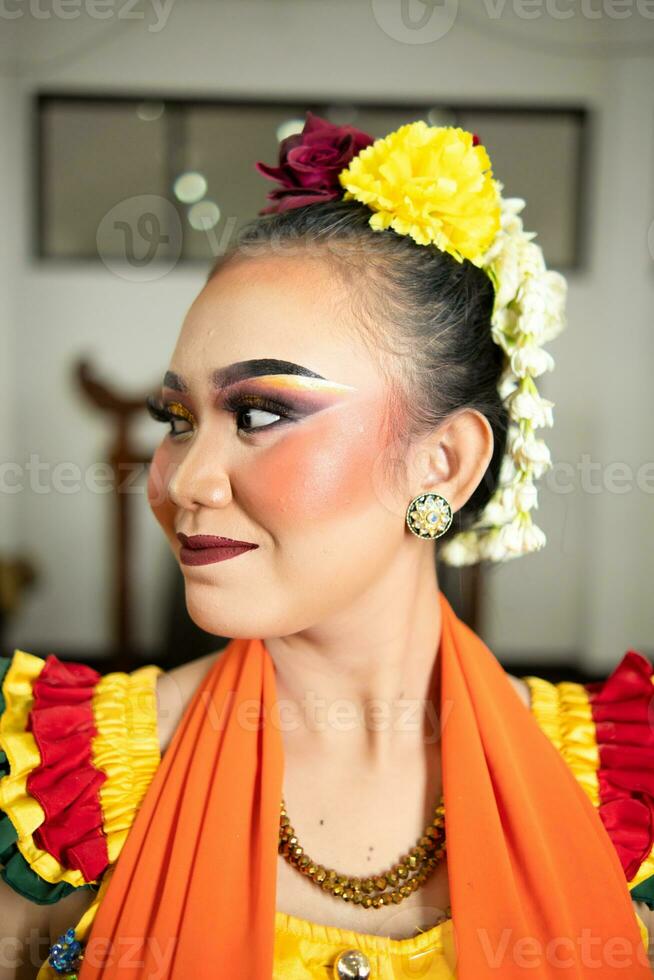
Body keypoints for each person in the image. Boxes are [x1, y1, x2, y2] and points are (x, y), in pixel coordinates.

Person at [1, 113, 653, 980]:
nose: (186, 480)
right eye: (178, 420)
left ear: (442, 464)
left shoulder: (616, 793)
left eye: (260, 414)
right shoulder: (71, 787)